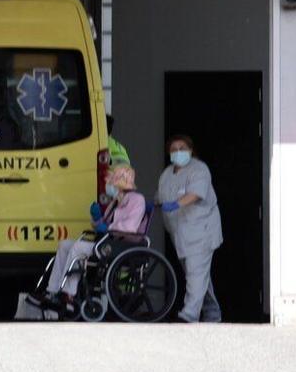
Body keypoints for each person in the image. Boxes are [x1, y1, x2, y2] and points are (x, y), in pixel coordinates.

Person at [28, 164, 146, 317]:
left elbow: (130, 227)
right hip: (108, 241)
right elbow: (101, 225)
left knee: (78, 248)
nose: (108, 185)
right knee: (65, 245)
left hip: (122, 244)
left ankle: (68, 295)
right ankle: (52, 290)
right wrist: (97, 219)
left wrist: (108, 226)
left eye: (111, 182)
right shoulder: (116, 200)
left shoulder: (137, 200)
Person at [157, 134, 223, 323]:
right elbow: (162, 194)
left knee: (196, 273)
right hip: (180, 234)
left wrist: (176, 204)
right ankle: (212, 313)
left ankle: (189, 314)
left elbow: (195, 194)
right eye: (174, 149)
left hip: (200, 230)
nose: (178, 152)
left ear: (191, 150)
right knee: (198, 275)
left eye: (182, 148)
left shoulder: (199, 169)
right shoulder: (167, 173)